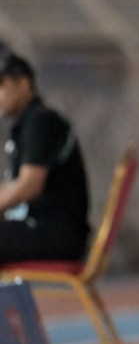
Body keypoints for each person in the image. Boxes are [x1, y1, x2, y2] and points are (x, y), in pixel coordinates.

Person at [0, 51, 91, 264]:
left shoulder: (40, 121)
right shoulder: (27, 124)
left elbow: (29, 186)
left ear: (23, 84)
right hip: (47, 230)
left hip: (56, 233)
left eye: (1, 84)